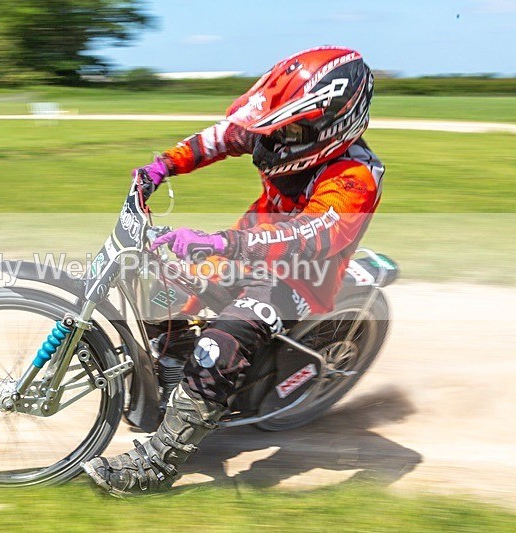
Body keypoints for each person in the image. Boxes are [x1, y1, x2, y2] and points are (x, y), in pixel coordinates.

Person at [82, 46, 385, 496]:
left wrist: (221, 242)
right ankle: (174, 378)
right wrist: (162, 165)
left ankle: (160, 463)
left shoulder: (356, 177)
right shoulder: (277, 132)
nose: (273, 140)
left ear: (332, 124)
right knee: (160, 285)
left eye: (291, 129)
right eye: (275, 126)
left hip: (301, 277)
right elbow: (221, 137)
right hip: (248, 246)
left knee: (224, 339)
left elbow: (308, 235)